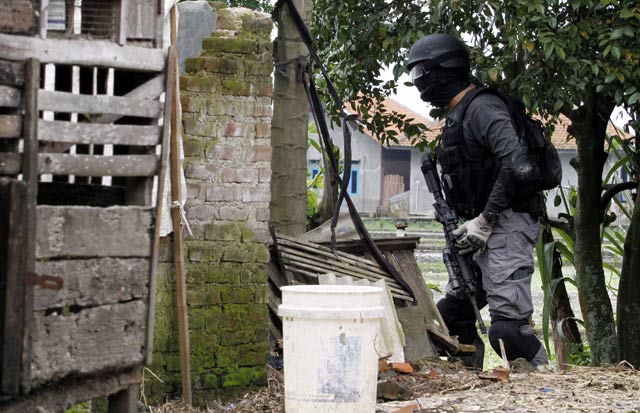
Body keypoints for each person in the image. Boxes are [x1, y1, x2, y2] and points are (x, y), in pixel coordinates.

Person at [406, 33, 549, 369]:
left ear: (440, 71)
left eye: (419, 75)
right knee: (451, 317)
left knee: (508, 330)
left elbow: (518, 165)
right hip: (474, 228)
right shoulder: (459, 114)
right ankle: (468, 382)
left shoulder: (483, 108)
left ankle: (545, 389)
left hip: (506, 221)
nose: (418, 85)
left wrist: (485, 221)